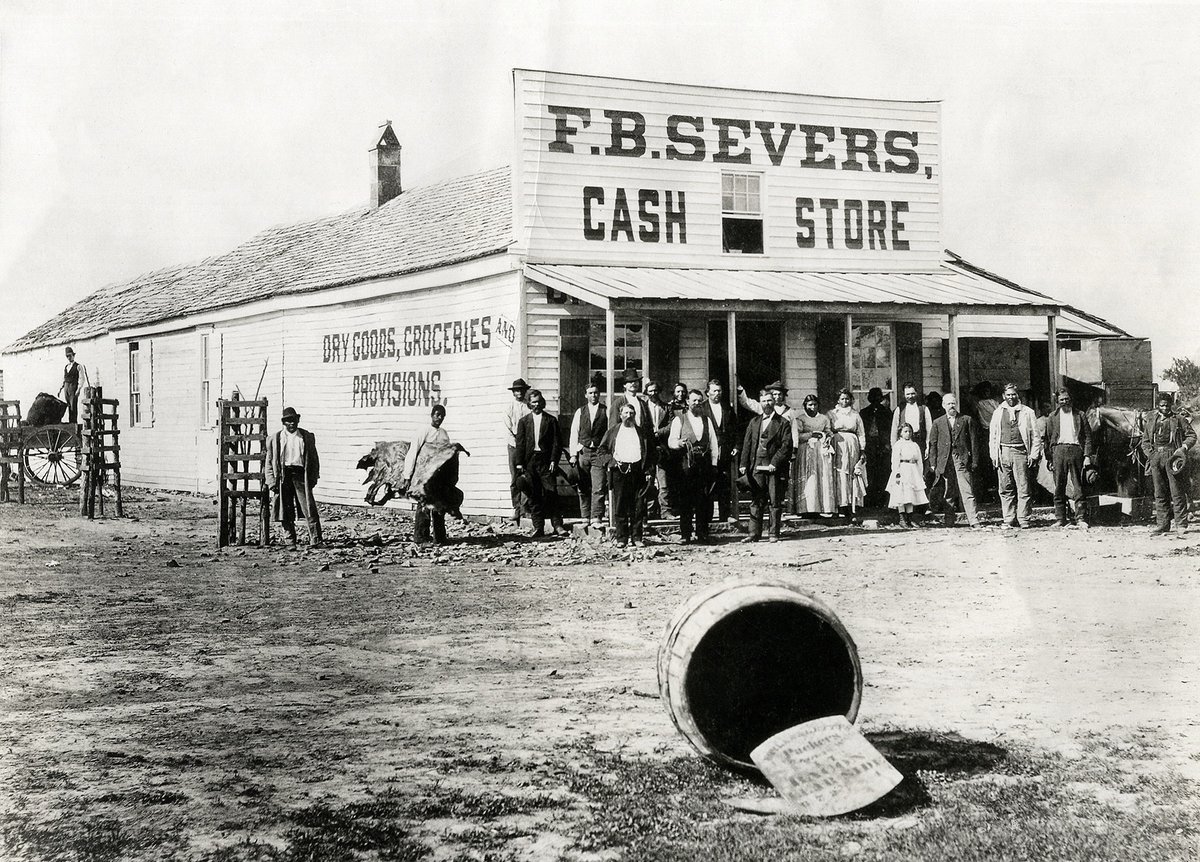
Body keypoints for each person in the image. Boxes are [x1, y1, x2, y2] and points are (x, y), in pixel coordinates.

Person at [739, 389, 793, 542]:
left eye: (769, 401)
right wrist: (744, 463)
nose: (767, 404)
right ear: (760, 403)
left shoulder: (783, 423)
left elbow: (786, 446)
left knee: (775, 501)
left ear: (774, 402)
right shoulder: (754, 422)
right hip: (757, 466)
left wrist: (775, 462)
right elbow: (747, 444)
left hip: (773, 468)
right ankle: (753, 533)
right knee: (756, 500)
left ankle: (773, 533)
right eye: (763, 401)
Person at [266, 406, 322, 547]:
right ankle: (289, 539)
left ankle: (316, 539)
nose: (292, 423)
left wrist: (313, 478)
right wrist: (272, 481)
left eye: (294, 420)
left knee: (309, 508)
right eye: (288, 421)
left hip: (300, 475)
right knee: (284, 509)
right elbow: (269, 461)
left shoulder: (306, 437)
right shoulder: (275, 439)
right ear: (284, 423)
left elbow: (314, 459)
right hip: (283, 475)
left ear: (298, 420)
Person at [1140, 392, 1196, 535]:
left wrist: (1182, 449)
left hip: (1173, 457)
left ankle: (1181, 525)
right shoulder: (1151, 419)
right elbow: (1145, 442)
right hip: (1156, 457)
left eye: (1167, 405)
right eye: (1162, 405)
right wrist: (1151, 455)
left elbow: (1191, 436)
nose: (1165, 408)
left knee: (1176, 492)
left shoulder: (1178, 419)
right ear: (1157, 406)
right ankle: (1163, 524)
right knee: (1159, 493)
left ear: (1171, 405)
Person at [669, 389, 720, 544]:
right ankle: (686, 534)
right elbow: (671, 440)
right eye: (694, 401)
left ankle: (702, 533)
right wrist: (678, 443)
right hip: (685, 466)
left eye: (699, 400)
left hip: (703, 465)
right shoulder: (680, 420)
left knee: (703, 500)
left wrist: (714, 464)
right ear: (687, 403)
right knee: (685, 500)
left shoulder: (707, 420)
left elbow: (714, 443)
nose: (697, 403)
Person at [599, 401, 652, 547]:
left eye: (631, 413)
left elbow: (650, 453)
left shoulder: (641, 432)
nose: (629, 416)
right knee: (620, 505)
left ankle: (637, 538)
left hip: (638, 471)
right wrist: (612, 462)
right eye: (626, 413)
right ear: (620, 415)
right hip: (620, 471)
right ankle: (622, 538)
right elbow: (601, 451)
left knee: (638, 506)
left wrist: (648, 470)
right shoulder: (613, 431)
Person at [515, 389, 566, 538]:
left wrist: (553, 460)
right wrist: (520, 463)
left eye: (538, 401)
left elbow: (557, 443)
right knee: (534, 495)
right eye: (533, 402)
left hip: (545, 461)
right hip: (530, 462)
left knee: (551, 492)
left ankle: (558, 525)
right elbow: (520, 444)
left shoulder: (551, 420)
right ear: (529, 404)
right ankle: (538, 527)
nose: (536, 404)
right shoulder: (524, 422)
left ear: (542, 402)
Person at [927, 393, 981, 528]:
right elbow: (932, 444)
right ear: (943, 405)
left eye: (953, 403)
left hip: (961, 459)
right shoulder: (937, 422)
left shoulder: (966, 419)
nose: (951, 406)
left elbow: (974, 442)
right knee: (948, 491)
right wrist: (933, 463)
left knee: (966, 490)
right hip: (945, 461)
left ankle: (974, 520)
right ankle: (949, 521)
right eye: (948, 404)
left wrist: (974, 461)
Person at [989, 382, 1038, 529]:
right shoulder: (998, 413)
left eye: (1013, 394)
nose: (1011, 397)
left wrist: (1034, 454)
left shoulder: (1028, 412)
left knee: (1023, 487)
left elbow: (1036, 435)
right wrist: (994, 455)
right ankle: (1009, 518)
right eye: (1008, 395)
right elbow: (993, 436)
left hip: (1020, 452)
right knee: (1005, 488)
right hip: (1003, 452)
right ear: (1004, 396)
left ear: (1018, 395)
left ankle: (1023, 518)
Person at [1043, 389, 1093, 528]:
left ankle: (1080, 518)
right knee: (1059, 486)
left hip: (1076, 450)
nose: (1065, 402)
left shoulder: (1080, 415)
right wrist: (1050, 459)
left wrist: (1087, 456)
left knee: (1078, 486)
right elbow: (1048, 439)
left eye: (1067, 399)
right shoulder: (1052, 417)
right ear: (1057, 402)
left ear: (1071, 399)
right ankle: (1060, 519)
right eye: (1062, 400)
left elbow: (1088, 437)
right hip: (1059, 451)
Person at [403, 404, 452, 544]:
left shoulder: (443, 434)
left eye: (442, 415)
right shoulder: (423, 431)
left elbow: (446, 455)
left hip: (438, 476)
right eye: (437, 415)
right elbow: (412, 452)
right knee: (424, 505)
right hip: (423, 475)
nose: (439, 418)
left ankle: (440, 537)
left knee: (439, 505)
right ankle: (421, 536)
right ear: (432, 415)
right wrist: (408, 475)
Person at [568, 381, 609, 530]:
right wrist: (573, 454)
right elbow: (574, 433)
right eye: (590, 393)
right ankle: (585, 516)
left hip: (600, 452)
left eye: (596, 392)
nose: (593, 395)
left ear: (599, 394)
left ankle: (596, 517)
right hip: (583, 452)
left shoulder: (606, 410)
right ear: (586, 395)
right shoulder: (580, 411)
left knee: (599, 486)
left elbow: (610, 433)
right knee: (583, 486)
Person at [700, 379, 738, 524]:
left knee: (724, 484)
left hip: (725, 452)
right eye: (714, 391)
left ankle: (725, 515)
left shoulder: (727, 408)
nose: (717, 393)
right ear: (708, 392)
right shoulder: (702, 408)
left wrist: (736, 447)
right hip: (707, 453)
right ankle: (707, 517)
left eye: (719, 391)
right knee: (708, 484)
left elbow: (735, 430)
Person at [792, 393, 836, 515]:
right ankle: (807, 508)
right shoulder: (800, 419)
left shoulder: (823, 418)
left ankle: (822, 507)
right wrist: (811, 435)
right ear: (805, 406)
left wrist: (827, 437)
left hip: (821, 450)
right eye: (810, 405)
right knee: (810, 478)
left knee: (821, 477)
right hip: (806, 449)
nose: (812, 407)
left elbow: (829, 432)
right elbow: (797, 436)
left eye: (815, 404)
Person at [828, 388, 867, 515]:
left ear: (851, 400)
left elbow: (861, 433)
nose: (845, 401)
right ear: (838, 400)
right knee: (839, 471)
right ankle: (840, 504)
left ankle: (852, 504)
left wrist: (862, 449)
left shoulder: (855, 414)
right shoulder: (832, 413)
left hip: (852, 444)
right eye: (842, 398)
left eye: (847, 398)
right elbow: (827, 429)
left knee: (851, 471)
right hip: (837, 444)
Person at [886, 423, 929, 528]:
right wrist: (896, 473)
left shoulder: (915, 445)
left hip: (912, 470)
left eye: (909, 431)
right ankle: (902, 518)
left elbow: (919, 461)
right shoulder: (898, 445)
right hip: (902, 470)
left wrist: (920, 474)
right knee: (901, 493)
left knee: (909, 495)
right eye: (905, 431)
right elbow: (895, 460)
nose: (908, 433)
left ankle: (910, 518)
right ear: (900, 433)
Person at [503, 378, 532, 526]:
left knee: (526, 476)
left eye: (521, 390)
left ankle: (526, 507)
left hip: (527, 446)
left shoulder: (529, 407)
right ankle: (516, 508)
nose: (519, 392)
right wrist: (518, 442)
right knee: (515, 477)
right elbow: (509, 428)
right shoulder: (509, 408)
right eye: (516, 390)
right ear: (513, 392)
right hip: (514, 445)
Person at [644, 380, 675, 519]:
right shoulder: (642, 407)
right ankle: (649, 511)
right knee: (648, 481)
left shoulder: (667, 408)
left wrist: (659, 432)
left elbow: (671, 424)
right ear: (646, 392)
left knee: (663, 482)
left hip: (663, 448)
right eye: (650, 391)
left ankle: (665, 511)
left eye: (655, 390)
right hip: (647, 448)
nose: (653, 393)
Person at [859, 387, 893, 507]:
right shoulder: (863, 413)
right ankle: (870, 501)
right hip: (869, 446)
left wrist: (888, 444)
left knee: (883, 472)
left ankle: (882, 501)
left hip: (883, 446)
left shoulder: (887, 412)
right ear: (869, 398)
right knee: (870, 472)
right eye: (873, 397)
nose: (876, 400)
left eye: (878, 397)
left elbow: (890, 430)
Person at [892, 383, 934, 459]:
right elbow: (894, 430)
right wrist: (894, 448)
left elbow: (929, 430)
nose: (910, 396)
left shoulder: (924, 409)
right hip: (904, 444)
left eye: (912, 394)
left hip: (919, 442)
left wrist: (928, 446)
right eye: (907, 394)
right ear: (903, 395)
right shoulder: (899, 409)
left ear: (916, 393)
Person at [57, 346, 90, 424]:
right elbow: (63, 379)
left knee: (73, 406)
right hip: (66, 387)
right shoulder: (66, 367)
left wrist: (78, 389)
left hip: (73, 387)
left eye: (70, 355)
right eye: (67, 356)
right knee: (68, 405)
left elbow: (82, 379)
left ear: (73, 355)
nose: (69, 357)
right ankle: (70, 423)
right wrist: (60, 389)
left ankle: (73, 423)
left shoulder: (78, 366)